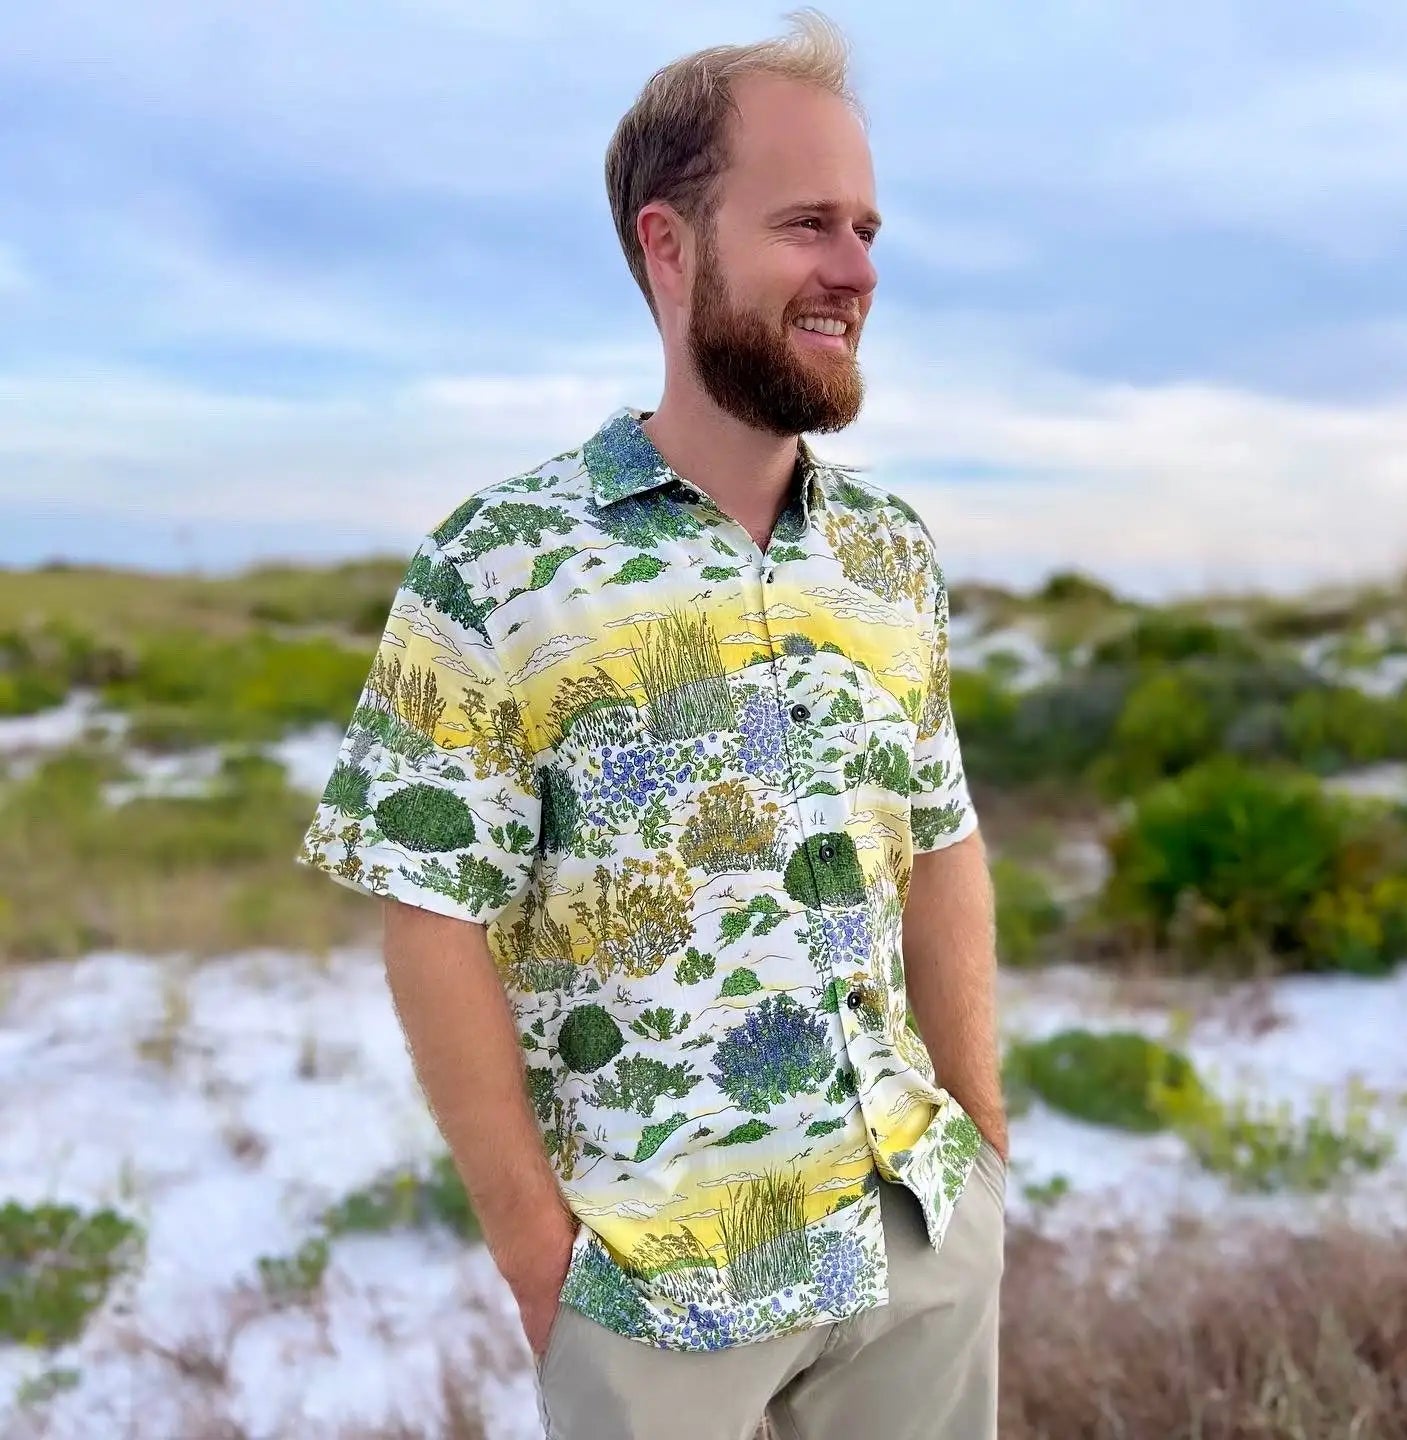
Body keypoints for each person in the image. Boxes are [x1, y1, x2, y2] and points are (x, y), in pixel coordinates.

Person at [297, 8, 1008, 1438]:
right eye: (810, 223)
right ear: (669, 247)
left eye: (867, 227)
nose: (858, 270)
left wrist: (982, 1144)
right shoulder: (499, 563)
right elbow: (429, 912)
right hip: (655, 1293)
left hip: (915, 1239)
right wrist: (535, 1258)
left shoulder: (891, 555)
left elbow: (942, 837)